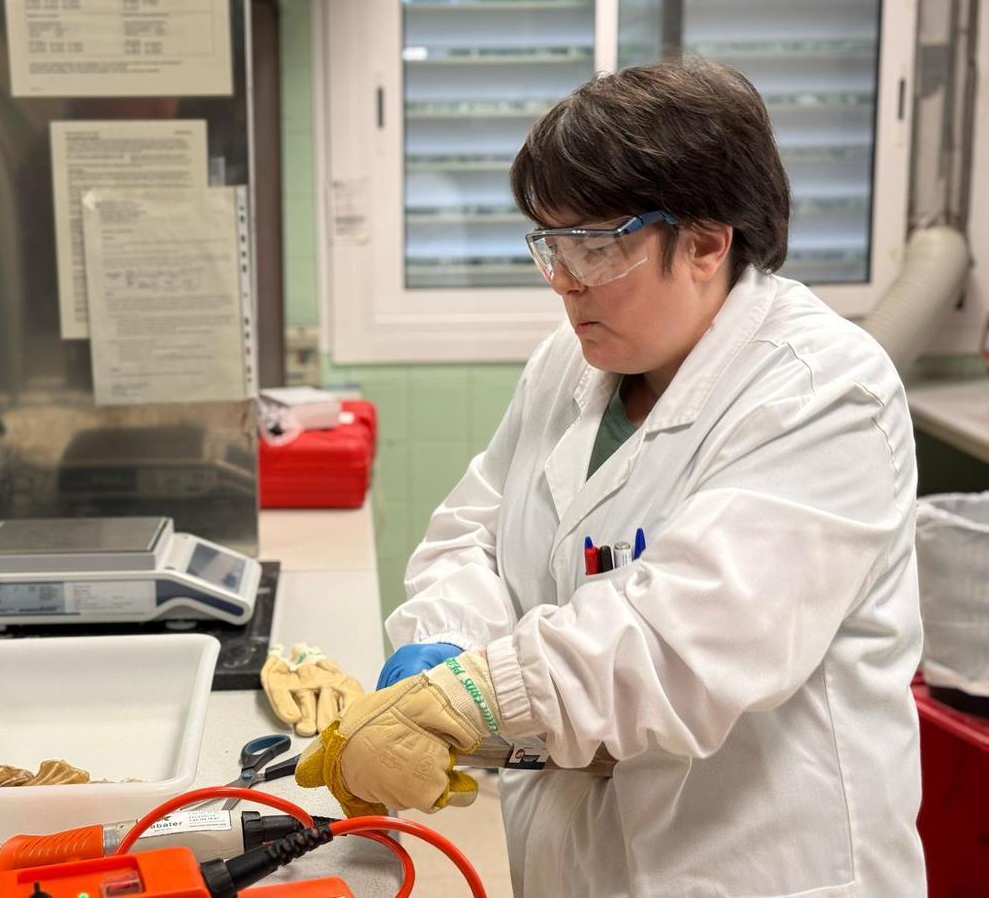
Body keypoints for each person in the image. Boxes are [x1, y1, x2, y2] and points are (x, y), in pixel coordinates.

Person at [296, 60, 926, 897]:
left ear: (707, 240)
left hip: (750, 864)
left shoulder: (824, 391)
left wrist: (475, 697)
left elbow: (685, 645)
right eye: (550, 244)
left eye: (596, 246)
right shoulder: (572, 363)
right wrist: (441, 646)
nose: (564, 282)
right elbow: (476, 535)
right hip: (571, 857)